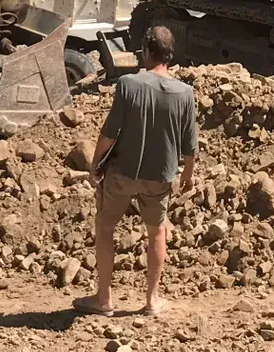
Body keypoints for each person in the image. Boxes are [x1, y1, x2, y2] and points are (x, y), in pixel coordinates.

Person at [77, 24, 198, 317]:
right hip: (159, 178)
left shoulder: (129, 85)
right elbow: (190, 146)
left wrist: (95, 164)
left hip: (122, 173)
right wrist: (187, 176)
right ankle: (152, 300)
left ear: (145, 52)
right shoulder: (185, 93)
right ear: (170, 54)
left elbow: (109, 132)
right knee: (157, 234)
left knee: (105, 228)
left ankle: (104, 299)